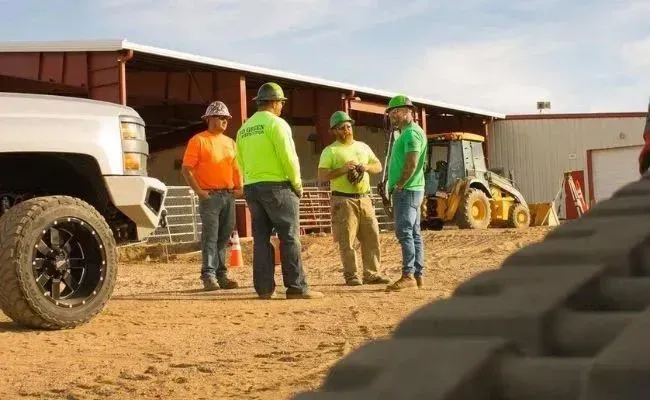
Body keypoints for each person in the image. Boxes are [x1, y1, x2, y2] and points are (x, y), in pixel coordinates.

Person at [235, 82, 324, 300]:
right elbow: (288, 157)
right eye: (281, 103)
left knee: (261, 238)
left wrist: (249, 182)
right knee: (289, 237)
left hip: (253, 186)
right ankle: (296, 287)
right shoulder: (277, 124)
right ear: (275, 102)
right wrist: (297, 184)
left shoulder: (244, 129)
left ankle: (264, 289)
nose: (282, 107)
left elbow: (240, 161)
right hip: (278, 186)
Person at [317, 111, 390, 286]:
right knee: (347, 240)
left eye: (349, 126)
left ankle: (372, 274)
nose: (347, 130)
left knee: (371, 236)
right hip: (343, 200)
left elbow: (378, 166)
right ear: (334, 131)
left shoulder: (363, 147)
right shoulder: (330, 151)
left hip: (364, 198)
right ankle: (352, 275)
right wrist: (343, 169)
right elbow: (322, 176)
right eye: (342, 128)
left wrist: (366, 167)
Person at [181, 101, 241, 291]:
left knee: (223, 237)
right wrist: (199, 192)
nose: (224, 121)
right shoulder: (198, 140)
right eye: (220, 117)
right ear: (209, 119)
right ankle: (209, 276)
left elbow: (235, 167)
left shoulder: (231, 143)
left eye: (226, 118)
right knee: (211, 237)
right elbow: (186, 169)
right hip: (210, 196)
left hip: (227, 195)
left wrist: (239, 187)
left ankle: (221, 275)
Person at [384, 95, 428, 291]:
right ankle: (417, 275)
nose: (392, 115)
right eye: (391, 113)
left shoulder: (411, 134)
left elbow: (412, 162)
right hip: (412, 189)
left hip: (407, 191)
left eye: (396, 112)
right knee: (414, 233)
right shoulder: (407, 133)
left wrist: (400, 184)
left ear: (408, 111)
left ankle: (408, 275)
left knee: (405, 232)